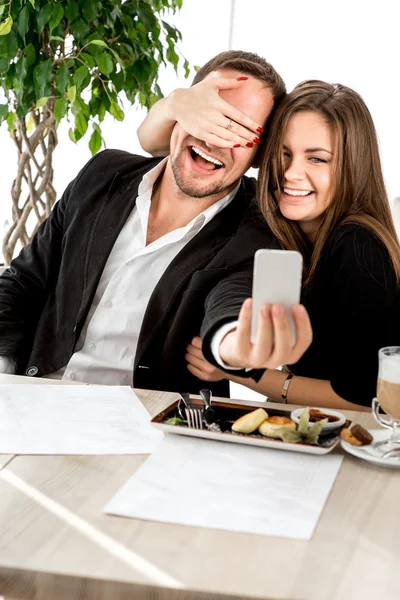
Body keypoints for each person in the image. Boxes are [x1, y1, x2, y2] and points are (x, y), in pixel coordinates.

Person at [0, 50, 312, 396]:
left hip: (145, 424)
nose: (215, 138)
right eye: (208, 116)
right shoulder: (103, 173)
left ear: (259, 154)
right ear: (180, 113)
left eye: (240, 129)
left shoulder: (257, 228)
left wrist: (235, 346)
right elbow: (24, 282)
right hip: (34, 396)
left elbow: (230, 306)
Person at [142, 80, 400, 410]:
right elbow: (159, 149)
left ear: (352, 167)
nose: (292, 173)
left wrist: (243, 372)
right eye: (284, 153)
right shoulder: (271, 221)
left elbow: (367, 399)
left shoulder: (357, 245)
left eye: (317, 159)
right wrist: (176, 103)